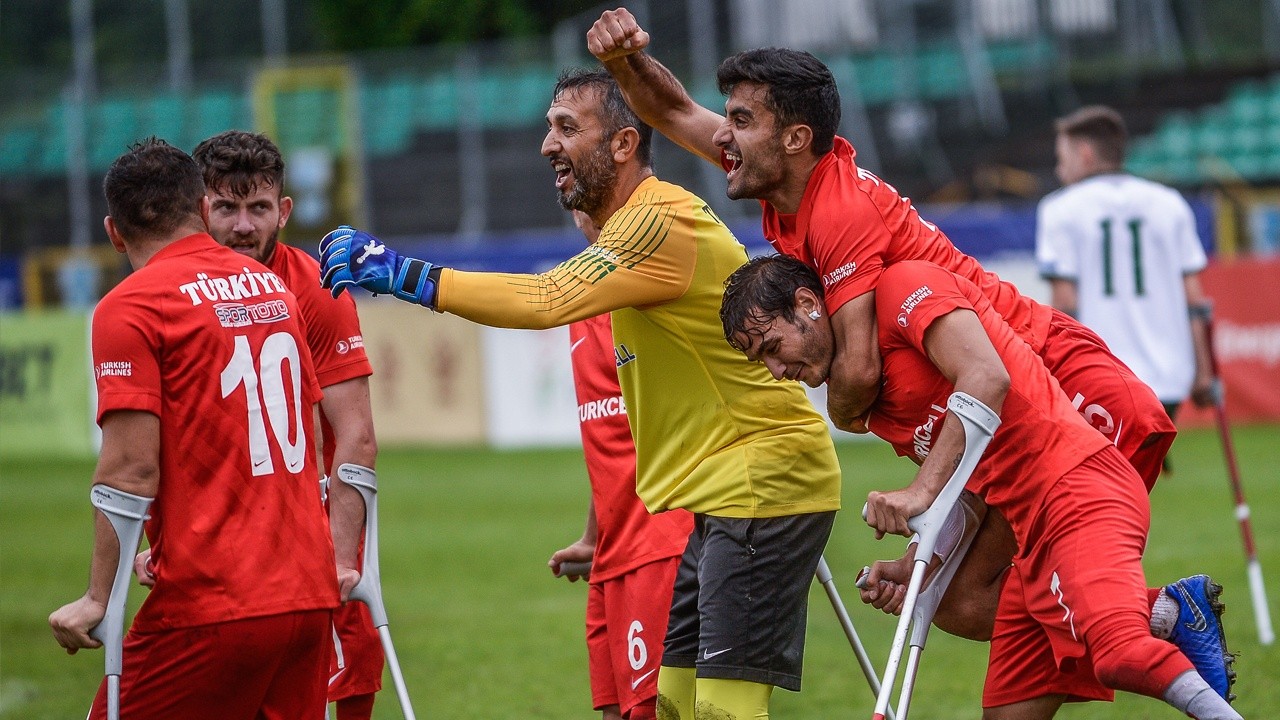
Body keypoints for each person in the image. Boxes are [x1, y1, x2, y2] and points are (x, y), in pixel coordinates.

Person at [584, 7, 1231, 700]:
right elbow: (675, 108)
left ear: (795, 136)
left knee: (1040, 586)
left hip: (1057, 377)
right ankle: (1162, 615)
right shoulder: (785, 172)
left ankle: (1144, 628)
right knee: (965, 603)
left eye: (741, 120)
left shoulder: (837, 213)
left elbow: (857, 379)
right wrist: (624, 64)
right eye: (732, 120)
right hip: (998, 395)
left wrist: (845, 409)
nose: (724, 136)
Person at [319, 69, 842, 719]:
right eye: (548, 126)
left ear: (624, 145)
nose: (546, 144)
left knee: (721, 711)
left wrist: (409, 276)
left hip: (767, 478)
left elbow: (546, 298)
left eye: (567, 128)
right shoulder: (635, 231)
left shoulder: (660, 221)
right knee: (674, 705)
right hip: (720, 495)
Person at [720, 253, 1241, 720]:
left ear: (808, 304)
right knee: (974, 640)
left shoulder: (906, 288)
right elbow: (971, 486)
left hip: (1076, 486)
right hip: (1028, 526)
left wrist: (919, 491)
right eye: (759, 361)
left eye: (772, 347)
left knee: (1119, 654)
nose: (775, 370)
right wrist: (919, 556)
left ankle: (1150, 619)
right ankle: (1164, 611)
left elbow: (988, 378)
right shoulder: (865, 394)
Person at [48, 138, 340, 719]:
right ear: (204, 212)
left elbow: (131, 468)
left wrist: (99, 599)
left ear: (114, 232)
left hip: (216, 603)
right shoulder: (274, 288)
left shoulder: (130, 306)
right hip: (308, 596)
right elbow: (308, 427)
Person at [190, 130, 385, 720]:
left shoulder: (316, 290)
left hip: (315, 533)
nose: (243, 226)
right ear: (200, 210)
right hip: (221, 542)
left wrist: (342, 557)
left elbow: (356, 434)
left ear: (285, 211)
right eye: (226, 207)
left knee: (347, 685)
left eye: (258, 208)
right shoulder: (181, 294)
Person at [1036, 105, 1217, 469]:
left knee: (1094, 489)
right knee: (1128, 488)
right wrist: (1204, 371)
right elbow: (1194, 300)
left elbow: (1064, 302)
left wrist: (1047, 373)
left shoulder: (1060, 208)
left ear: (1084, 153)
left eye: (1062, 158)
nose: (1059, 170)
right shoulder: (1170, 204)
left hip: (1101, 377)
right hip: (1167, 378)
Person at [550, 307, 694, 720]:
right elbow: (615, 443)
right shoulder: (579, 304)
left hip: (662, 543)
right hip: (612, 552)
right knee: (615, 711)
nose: (588, 235)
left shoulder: (649, 294)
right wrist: (595, 537)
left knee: (655, 711)